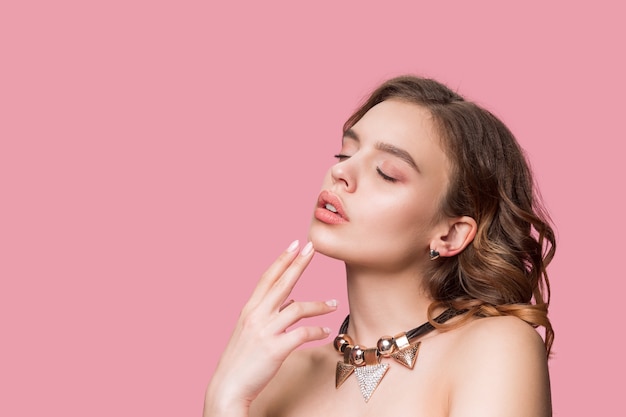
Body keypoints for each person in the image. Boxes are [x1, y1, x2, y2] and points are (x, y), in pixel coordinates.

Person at [203, 75, 556, 417]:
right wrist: (224, 402)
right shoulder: (277, 375)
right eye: (345, 155)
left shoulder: (496, 348)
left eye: (387, 172)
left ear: (450, 235)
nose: (341, 173)